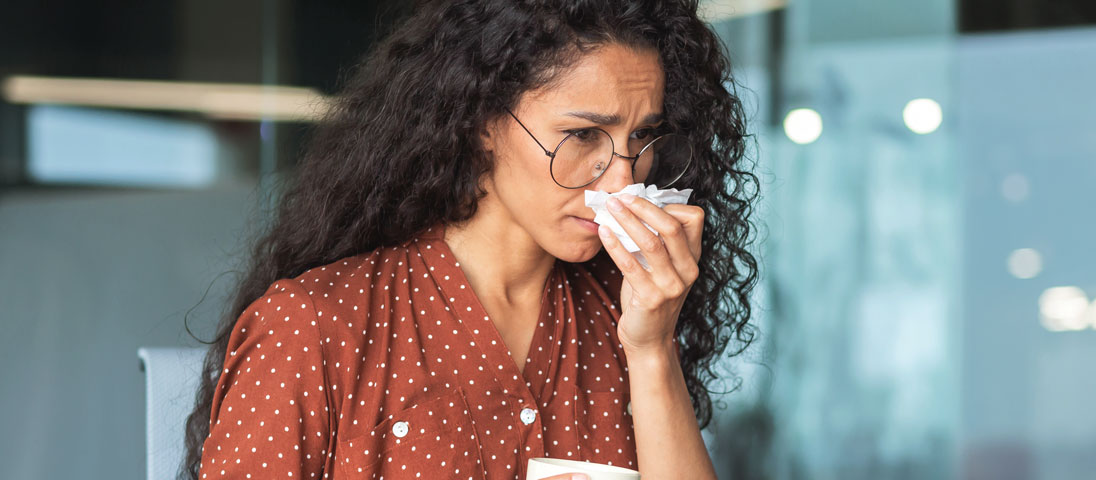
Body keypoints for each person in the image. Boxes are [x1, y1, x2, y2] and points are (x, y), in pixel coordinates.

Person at [179, 1, 760, 478]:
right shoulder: (314, 325)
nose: (623, 178)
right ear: (482, 121)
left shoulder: (625, 315)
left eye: (643, 137)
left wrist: (654, 350)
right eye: (583, 134)